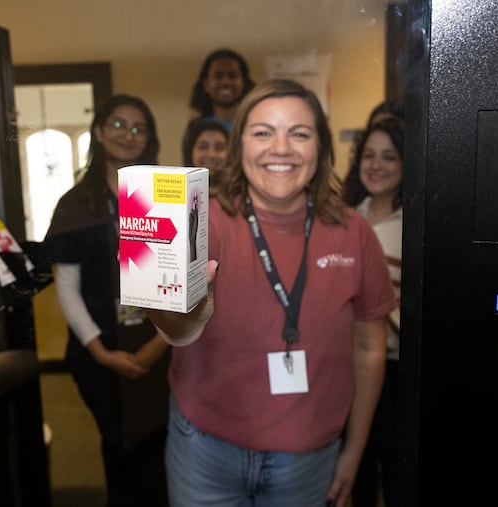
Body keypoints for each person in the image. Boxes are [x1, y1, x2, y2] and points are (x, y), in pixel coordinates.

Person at [145, 78, 398, 507]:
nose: (280, 148)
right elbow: (175, 332)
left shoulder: (353, 233)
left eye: (299, 133)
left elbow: (369, 350)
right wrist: (171, 302)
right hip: (204, 450)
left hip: (309, 458)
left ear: (320, 148)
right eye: (262, 132)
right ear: (238, 144)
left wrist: (354, 453)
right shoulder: (195, 220)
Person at [43, 94, 170, 507]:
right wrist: (100, 352)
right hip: (97, 350)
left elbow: (182, 282)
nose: (127, 135)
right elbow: (67, 287)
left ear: (149, 139)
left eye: (138, 128)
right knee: (118, 447)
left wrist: (157, 347)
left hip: (163, 345)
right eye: (117, 124)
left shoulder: (165, 197)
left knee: (161, 449)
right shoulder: (74, 206)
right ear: (98, 132)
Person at [344, 118, 405, 507]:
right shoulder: (344, 217)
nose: (376, 165)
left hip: (399, 369)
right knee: (354, 467)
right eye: (368, 155)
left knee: (397, 469)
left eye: (389, 156)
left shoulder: (418, 225)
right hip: (343, 368)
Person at [187, 48, 256, 131]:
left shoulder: (256, 125)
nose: (225, 82)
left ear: (244, 83)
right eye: (218, 76)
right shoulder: (195, 128)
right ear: (206, 84)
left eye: (232, 75)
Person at [181, 117, 229, 188]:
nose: (211, 155)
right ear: (190, 152)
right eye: (203, 147)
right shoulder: (179, 194)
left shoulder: (242, 195)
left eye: (219, 148)